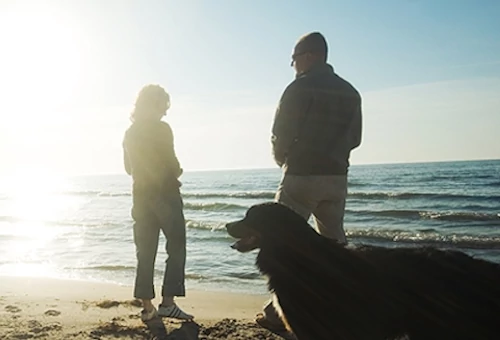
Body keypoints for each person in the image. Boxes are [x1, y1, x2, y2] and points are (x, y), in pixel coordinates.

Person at [257, 32, 363, 333]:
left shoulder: (299, 88)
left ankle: (278, 312)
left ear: (310, 55)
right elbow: (355, 138)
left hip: (302, 174)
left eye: (294, 59)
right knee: (334, 244)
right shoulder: (350, 92)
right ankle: (342, 303)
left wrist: (283, 160)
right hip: (337, 176)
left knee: (280, 243)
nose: (293, 65)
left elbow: (280, 133)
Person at [123, 84, 193, 322]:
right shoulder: (162, 129)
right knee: (176, 245)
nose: (165, 111)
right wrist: (177, 170)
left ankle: (147, 307)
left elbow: (127, 168)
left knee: (145, 251)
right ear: (153, 104)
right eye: (163, 106)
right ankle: (168, 303)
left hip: (140, 196)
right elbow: (171, 163)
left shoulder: (130, 132)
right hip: (164, 194)